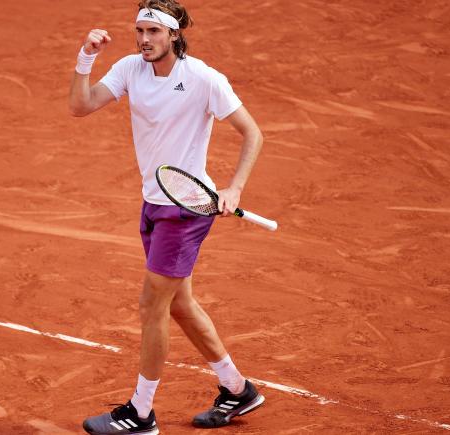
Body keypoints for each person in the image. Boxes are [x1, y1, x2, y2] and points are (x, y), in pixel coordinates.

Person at [69, 1, 265, 433]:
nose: (144, 39)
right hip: (154, 202)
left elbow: (253, 132)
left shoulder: (202, 79)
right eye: (139, 30)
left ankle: (140, 413)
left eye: (153, 32)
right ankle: (238, 390)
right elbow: (80, 106)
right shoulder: (128, 69)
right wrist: (86, 55)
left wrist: (233, 188)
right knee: (180, 305)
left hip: (187, 209)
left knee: (150, 306)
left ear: (174, 35)